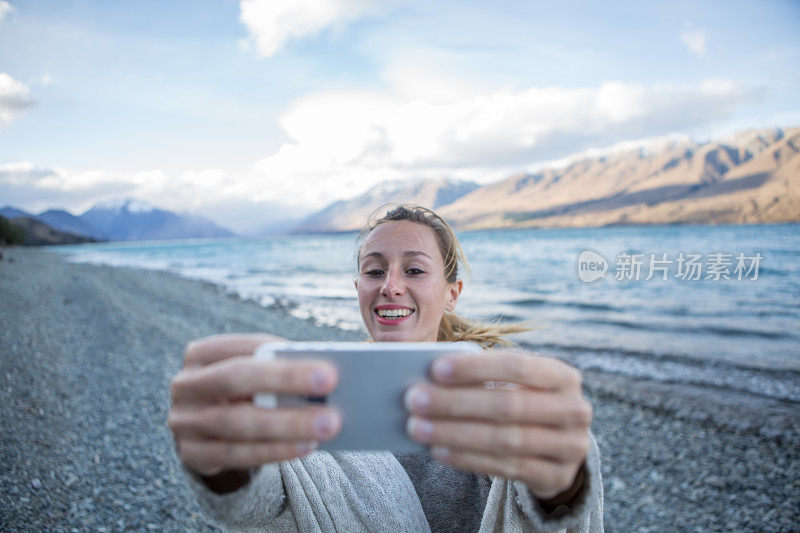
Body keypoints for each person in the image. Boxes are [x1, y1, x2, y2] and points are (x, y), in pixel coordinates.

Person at [168, 204, 603, 532]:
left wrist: (564, 482)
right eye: (375, 272)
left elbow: (556, 508)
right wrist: (225, 464)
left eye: (414, 269)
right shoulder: (312, 392)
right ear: (359, 289)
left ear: (453, 293)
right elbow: (263, 500)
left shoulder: (502, 404)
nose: (391, 286)